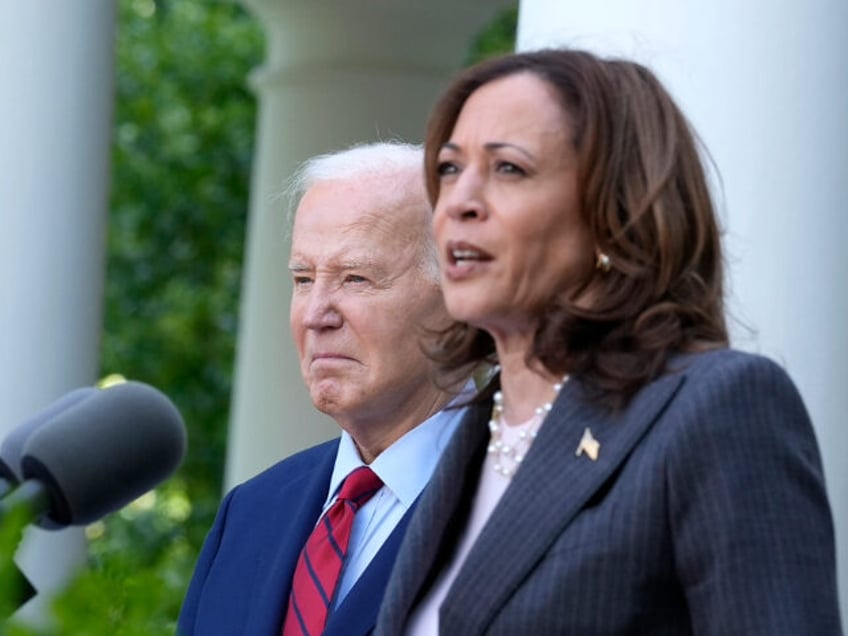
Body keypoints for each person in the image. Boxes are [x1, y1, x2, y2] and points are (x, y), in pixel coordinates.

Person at [374, 49, 843, 635]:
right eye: (448, 169)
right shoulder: (469, 434)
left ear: (611, 212)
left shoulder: (717, 406)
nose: (459, 203)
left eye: (509, 169)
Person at [178, 141, 471, 636]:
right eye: (303, 279)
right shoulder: (249, 514)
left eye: (355, 279)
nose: (316, 315)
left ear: (459, 297)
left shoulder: (521, 505)